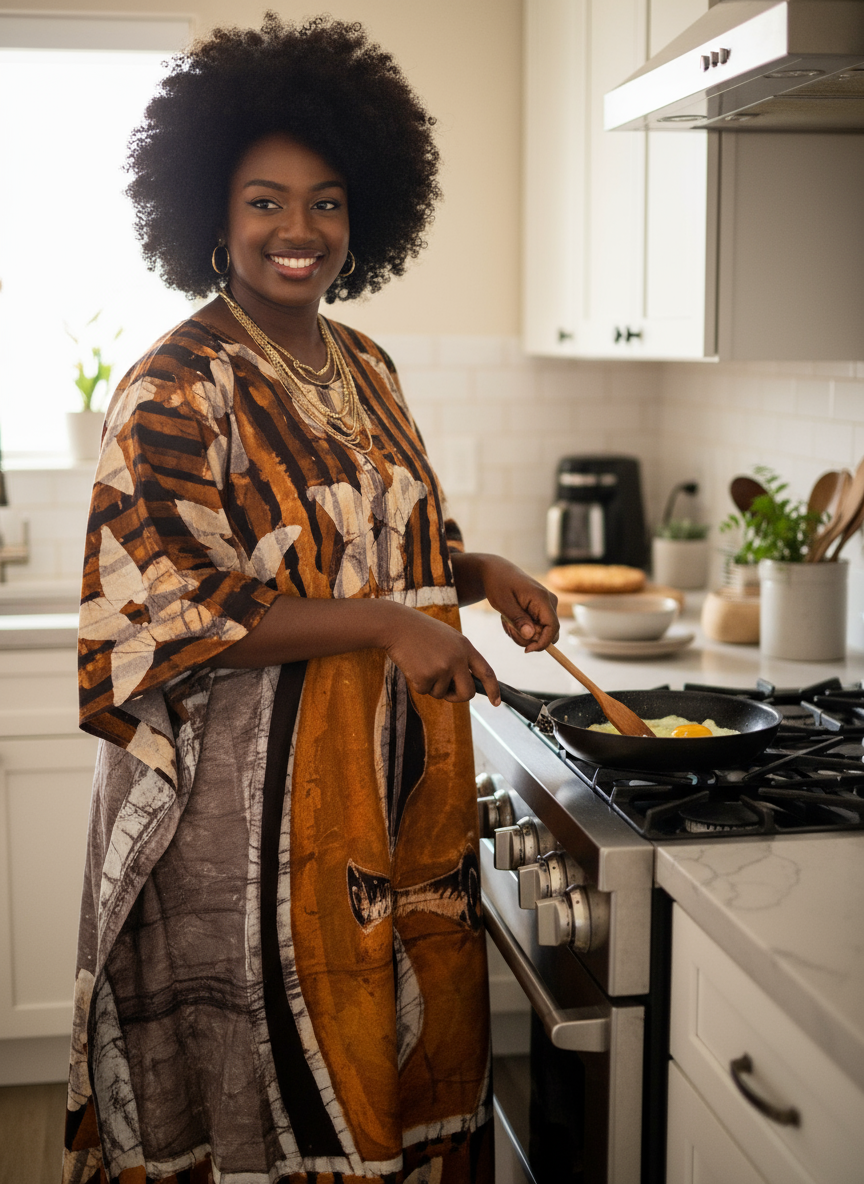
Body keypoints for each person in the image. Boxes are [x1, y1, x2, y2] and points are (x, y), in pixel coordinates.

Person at [63, 15, 558, 1184]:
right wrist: (390, 624)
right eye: (266, 201)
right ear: (212, 213)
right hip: (243, 826)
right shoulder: (177, 383)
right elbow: (178, 606)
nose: (300, 229)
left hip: (391, 798)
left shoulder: (366, 363)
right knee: (277, 1081)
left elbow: (381, 549)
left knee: (394, 1059)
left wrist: (477, 572)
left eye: (326, 202)